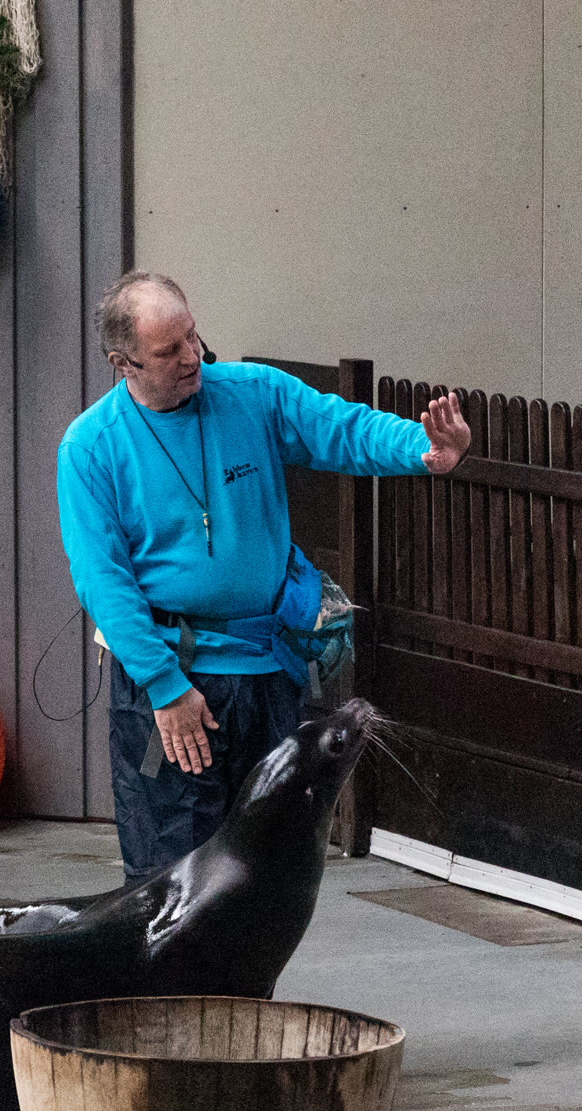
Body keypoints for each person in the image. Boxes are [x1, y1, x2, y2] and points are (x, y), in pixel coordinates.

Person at [56, 271, 470, 882]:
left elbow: (341, 428)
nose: (191, 357)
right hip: (172, 678)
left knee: (268, 866)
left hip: (267, 670)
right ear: (124, 363)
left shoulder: (252, 393)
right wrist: (165, 687)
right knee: (173, 875)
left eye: (193, 336)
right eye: (169, 351)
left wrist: (423, 449)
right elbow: (102, 581)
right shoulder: (91, 447)